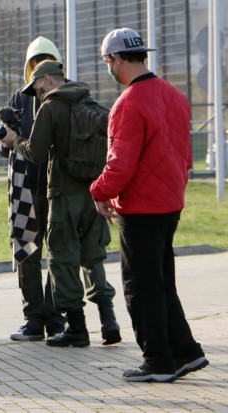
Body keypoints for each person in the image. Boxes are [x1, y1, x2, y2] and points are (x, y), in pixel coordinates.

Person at [91, 28, 208, 382]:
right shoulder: (175, 95)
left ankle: (157, 361)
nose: (108, 68)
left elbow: (120, 162)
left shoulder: (126, 104)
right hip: (170, 202)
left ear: (115, 60)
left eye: (107, 62)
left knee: (140, 287)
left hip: (140, 207)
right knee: (162, 284)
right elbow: (186, 154)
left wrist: (99, 191)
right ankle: (185, 352)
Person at [0, 38, 120, 346]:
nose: (36, 91)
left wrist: (15, 141)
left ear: (47, 79)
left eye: (38, 83)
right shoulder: (88, 101)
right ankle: (108, 319)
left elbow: (36, 153)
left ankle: (74, 326)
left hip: (61, 195)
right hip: (91, 193)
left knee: (60, 258)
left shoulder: (52, 106)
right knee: (92, 257)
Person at [0, 36, 66, 341]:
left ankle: (57, 316)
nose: (40, 73)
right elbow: (7, 147)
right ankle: (33, 318)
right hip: (25, 186)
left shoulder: (67, 96)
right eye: (35, 65)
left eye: (45, 63)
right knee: (27, 251)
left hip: (58, 185)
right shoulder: (19, 97)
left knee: (62, 252)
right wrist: (5, 138)